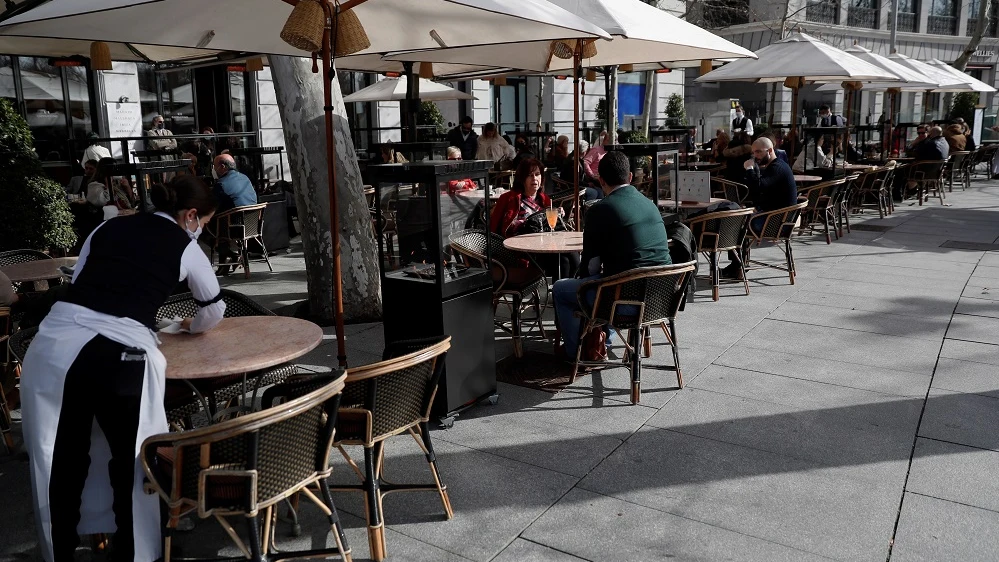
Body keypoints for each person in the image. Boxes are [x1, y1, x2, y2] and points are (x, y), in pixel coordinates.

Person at [20, 175, 225, 562]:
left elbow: (79, 283)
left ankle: (58, 552)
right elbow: (212, 310)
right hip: (121, 354)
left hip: (54, 348)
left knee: (58, 460)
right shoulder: (186, 246)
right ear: (191, 215)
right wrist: (188, 326)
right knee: (133, 463)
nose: (204, 230)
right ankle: (135, 552)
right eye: (206, 222)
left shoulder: (107, 227)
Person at [552, 151, 672, 360]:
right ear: (630, 177)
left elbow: (590, 268)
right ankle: (602, 344)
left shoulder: (601, 209)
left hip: (625, 301)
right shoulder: (650, 205)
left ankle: (576, 353)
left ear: (601, 180)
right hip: (662, 297)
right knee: (611, 280)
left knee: (562, 289)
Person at [721, 137, 797, 280]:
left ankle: (737, 267)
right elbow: (762, 193)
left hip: (776, 223)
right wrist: (755, 207)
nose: (755, 156)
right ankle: (738, 265)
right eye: (753, 152)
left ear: (769, 150)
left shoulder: (777, 168)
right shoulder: (776, 166)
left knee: (735, 224)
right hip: (777, 218)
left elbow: (758, 187)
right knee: (739, 216)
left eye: (758, 152)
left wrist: (749, 169)